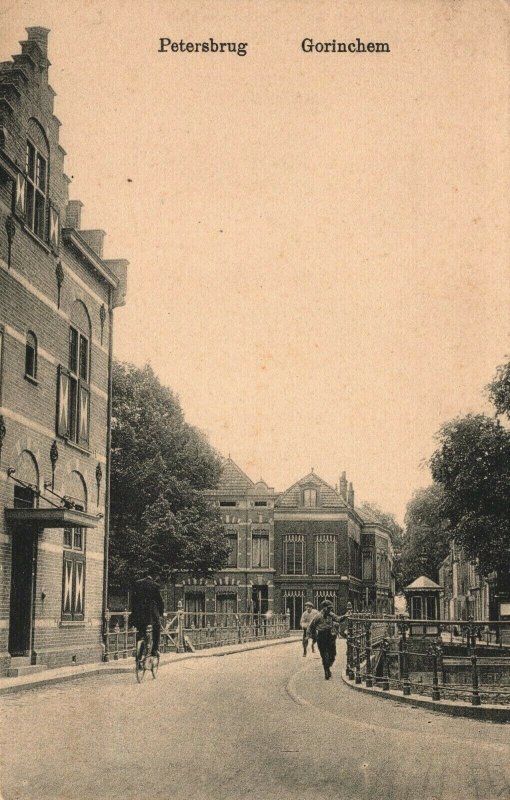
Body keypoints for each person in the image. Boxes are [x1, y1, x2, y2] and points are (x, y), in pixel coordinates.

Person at [307, 599, 347, 679]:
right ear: (324, 608)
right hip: (321, 637)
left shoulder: (331, 614)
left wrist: (345, 616)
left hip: (330, 636)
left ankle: (328, 667)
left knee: (332, 654)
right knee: (324, 655)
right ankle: (326, 671)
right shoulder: (318, 616)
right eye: (328, 608)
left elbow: (338, 619)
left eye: (330, 608)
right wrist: (310, 636)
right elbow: (311, 626)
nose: (330, 610)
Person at [130, 573, 164, 660]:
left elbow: (133, 599)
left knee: (141, 631)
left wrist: (133, 612)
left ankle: (139, 655)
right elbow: (160, 601)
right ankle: (154, 650)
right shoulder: (155, 585)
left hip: (139, 612)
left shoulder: (137, 583)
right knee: (157, 627)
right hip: (150, 613)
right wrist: (161, 613)